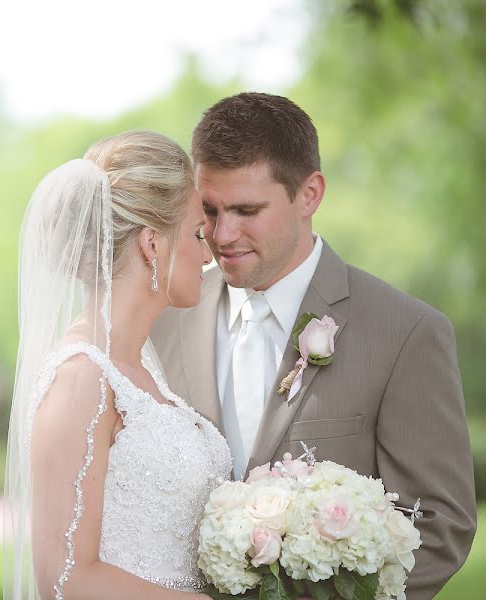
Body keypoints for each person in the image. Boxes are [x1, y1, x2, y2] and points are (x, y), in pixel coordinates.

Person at [150, 92, 476, 600]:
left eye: (247, 209)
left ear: (309, 195)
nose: (222, 234)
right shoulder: (163, 322)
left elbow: (441, 523)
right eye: (209, 210)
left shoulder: (407, 332)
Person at [4, 131, 231, 600]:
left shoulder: (144, 370)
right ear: (152, 244)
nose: (208, 255)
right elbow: (65, 577)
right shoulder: (80, 377)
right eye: (196, 234)